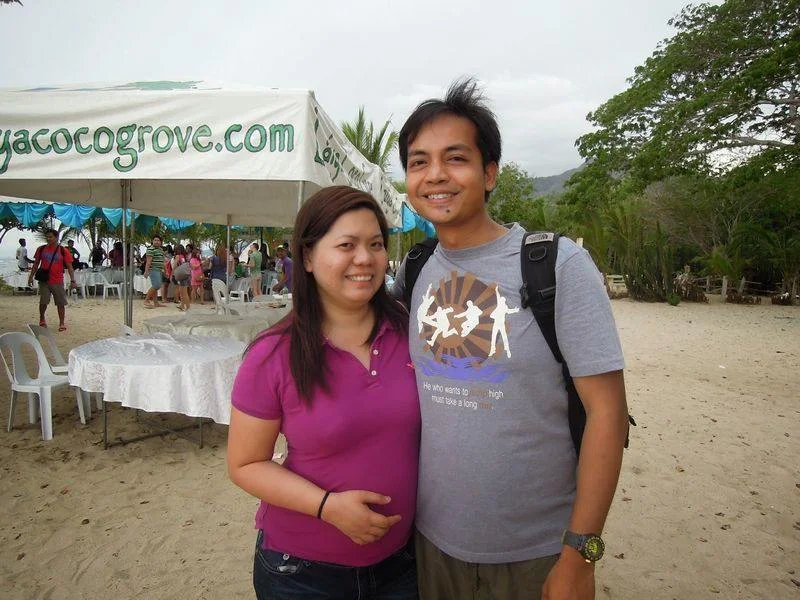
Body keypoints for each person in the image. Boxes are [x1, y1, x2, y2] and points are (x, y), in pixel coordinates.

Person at [391, 79, 629, 600]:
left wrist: (580, 555)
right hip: (433, 545)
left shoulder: (557, 264)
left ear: (489, 172)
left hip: (538, 551)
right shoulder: (414, 269)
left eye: (455, 158)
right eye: (418, 161)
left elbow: (607, 414)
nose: (435, 175)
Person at [227, 186, 420, 600]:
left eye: (375, 244)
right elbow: (245, 464)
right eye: (346, 245)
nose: (365, 259)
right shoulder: (272, 354)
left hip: (403, 565)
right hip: (302, 573)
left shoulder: (410, 331)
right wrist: (327, 506)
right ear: (309, 257)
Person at [27, 229, 78, 331]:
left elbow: (70, 267)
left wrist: (73, 281)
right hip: (44, 280)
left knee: (60, 302)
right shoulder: (41, 249)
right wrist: (31, 277)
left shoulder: (63, 251)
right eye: (47, 237)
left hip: (57, 280)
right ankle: (42, 318)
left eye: (51, 237)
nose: (48, 239)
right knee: (43, 301)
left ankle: (62, 323)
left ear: (56, 237)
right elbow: (36, 264)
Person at [143, 235, 166, 309]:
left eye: (158, 240)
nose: (156, 241)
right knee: (157, 285)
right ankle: (146, 300)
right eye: (155, 240)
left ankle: (156, 303)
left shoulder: (160, 250)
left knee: (155, 287)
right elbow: (148, 261)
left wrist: (164, 270)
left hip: (159, 269)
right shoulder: (150, 249)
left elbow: (163, 261)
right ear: (152, 241)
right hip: (153, 269)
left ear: (161, 242)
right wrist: (146, 271)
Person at [170, 244, 191, 312]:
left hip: (180, 275)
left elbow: (175, 266)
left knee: (183, 293)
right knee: (182, 292)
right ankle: (182, 305)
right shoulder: (185, 256)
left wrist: (172, 274)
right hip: (186, 275)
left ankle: (188, 307)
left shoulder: (177, 256)